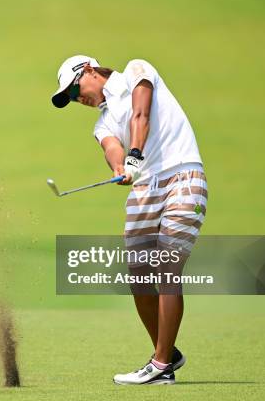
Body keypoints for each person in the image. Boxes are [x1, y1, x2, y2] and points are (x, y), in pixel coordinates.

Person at [51, 55, 208, 385]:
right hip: (143, 188)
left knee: (167, 267)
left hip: (182, 175)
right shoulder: (102, 121)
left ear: (90, 70)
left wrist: (135, 153)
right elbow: (111, 146)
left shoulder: (136, 70)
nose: (77, 98)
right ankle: (167, 353)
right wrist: (120, 167)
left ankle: (161, 365)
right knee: (138, 275)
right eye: (70, 98)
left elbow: (141, 113)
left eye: (75, 89)